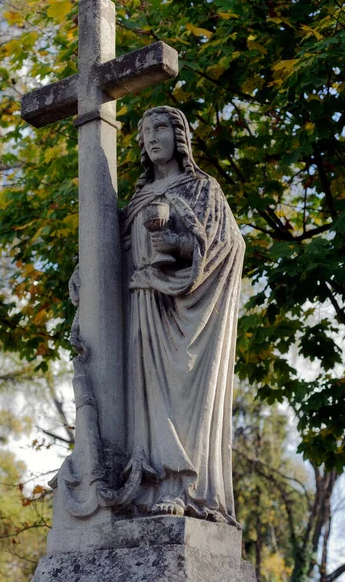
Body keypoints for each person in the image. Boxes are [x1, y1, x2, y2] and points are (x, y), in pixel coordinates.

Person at [122, 106, 244, 525]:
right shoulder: (137, 199)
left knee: (183, 394)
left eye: (161, 128)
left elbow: (226, 246)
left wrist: (171, 239)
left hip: (188, 314)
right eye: (146, 131)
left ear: (179, 136)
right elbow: (119, 254)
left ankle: (183, 485)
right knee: (149, 397)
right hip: (145, 306)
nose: (153, 138)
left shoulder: (202, 189)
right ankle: (151, 481)